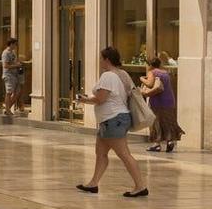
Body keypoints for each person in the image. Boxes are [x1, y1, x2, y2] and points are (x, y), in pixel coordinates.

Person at [76, 47, 148, 197]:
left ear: (107, 59)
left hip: (113, 120)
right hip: (110, 120)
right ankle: (93, 184)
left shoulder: (108, 76)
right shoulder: (122, 74)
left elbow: (101, 99)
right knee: (100, 153)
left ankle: (140, 186)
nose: (99, 61)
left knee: (124, 154)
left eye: (101, 58)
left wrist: (84, 100)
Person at [142, 57, 183, 152]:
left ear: (150, 65)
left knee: (155, 122)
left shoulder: (152, 72)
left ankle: (157, 144)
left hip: (158, 101)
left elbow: (149, 84)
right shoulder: (165, 72)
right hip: (169, 100)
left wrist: (142, 79)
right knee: (167, 121)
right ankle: (170, 141)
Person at [1, 38, 24, 116]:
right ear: (11, 44)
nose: (16, 46)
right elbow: (5, 65)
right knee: (9, 92)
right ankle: (7, 110)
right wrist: (16, 65)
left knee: (17, 92)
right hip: (8, 75)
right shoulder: (5, 53)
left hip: (15, 75)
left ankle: (7, 108)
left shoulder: (13, 52)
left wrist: (18, 64)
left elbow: (14, 61)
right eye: (15, 44)